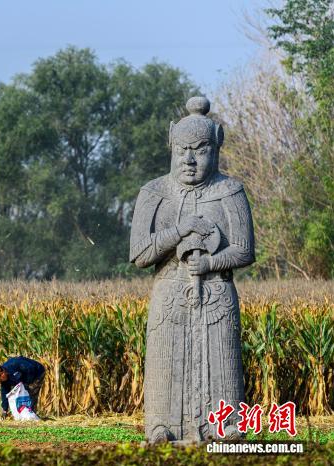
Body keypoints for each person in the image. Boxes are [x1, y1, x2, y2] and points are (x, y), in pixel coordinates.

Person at [129, 96, 255, 443]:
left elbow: (244, 250)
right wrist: (179, 230)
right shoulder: (154, 192)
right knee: (166, 359)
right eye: (182, 150)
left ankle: (225, 425)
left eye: (200, 150)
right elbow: (140, 254)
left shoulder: (230, 191)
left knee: (221, 358)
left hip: (217, 293)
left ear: (216, 147)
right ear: (172, 146)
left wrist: (211, 262)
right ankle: (161, 426)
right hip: (170, 292)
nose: (189, 160)